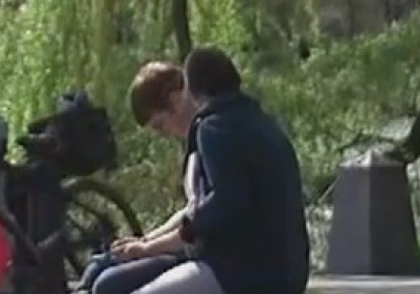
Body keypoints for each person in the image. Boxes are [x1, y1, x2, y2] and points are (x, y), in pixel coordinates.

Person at [113, 46, 310, 294]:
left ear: (192, 92)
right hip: (287, 271)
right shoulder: (262, 122)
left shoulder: (213, 128)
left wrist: (165, 241)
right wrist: (149, 243)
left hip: (243, 271)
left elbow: (226, 202)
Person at [74, 61, 201, 294]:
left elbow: (201, 223)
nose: (165, 134)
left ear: (174, 101)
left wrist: (149, 248)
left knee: (109, 284)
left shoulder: (211, 140)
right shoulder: (195, 144)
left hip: (205, 255)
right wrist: (144, 241)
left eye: (161, 125)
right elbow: (190, 211)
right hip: (188, 245)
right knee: (98, 265)